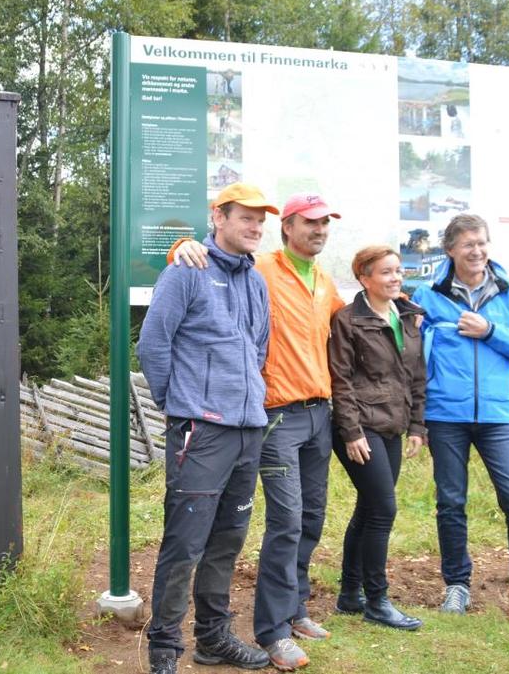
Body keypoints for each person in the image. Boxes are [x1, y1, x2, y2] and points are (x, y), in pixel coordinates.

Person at [170, 191, 344, 671]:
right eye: (310, 222)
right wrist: (181, 244)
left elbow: (349, 321)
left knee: (310, 516)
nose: (320, 230)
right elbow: (208, 259)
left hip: (319, 413)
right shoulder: (261, 267)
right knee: (285, 521)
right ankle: (271, 631)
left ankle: (294, 609)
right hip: (277, 416)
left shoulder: (324, 281)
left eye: (325, 223)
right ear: (287, 226)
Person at [138, 182, 277, 674]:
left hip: (246, 431)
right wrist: (179, 407)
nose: (256, 227)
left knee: (227, 540)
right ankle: (163, 650)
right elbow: (152, 345)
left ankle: (213, 639)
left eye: (262, 219)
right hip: (202, 430)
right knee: (185, 541)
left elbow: (257, 350)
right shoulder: (187, 271)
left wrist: (246, 404)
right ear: (218, 217)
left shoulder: (255, 281)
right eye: (246, 217)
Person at [411, 213, 509, 640]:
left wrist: (490, 330)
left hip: (497, 416)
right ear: (450, 251)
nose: (476, 251)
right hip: (446, 416)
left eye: (481, 243)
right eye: (467, 245)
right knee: (450, 502)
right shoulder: (429, 294)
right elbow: (411, 351)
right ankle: (456, 586)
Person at [328, 246, 426, 631]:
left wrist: (417, 426)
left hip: (393, 426)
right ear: (364, 278)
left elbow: (416, 375)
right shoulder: (348, 321)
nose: (395, 278)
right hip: (360, 429)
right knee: (383, 510)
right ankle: (378, 599)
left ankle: (350, 595)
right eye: (386, 272)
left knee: (369, 509)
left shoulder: (408, 317)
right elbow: (341, 380)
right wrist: (351, 432)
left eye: (398, 271)